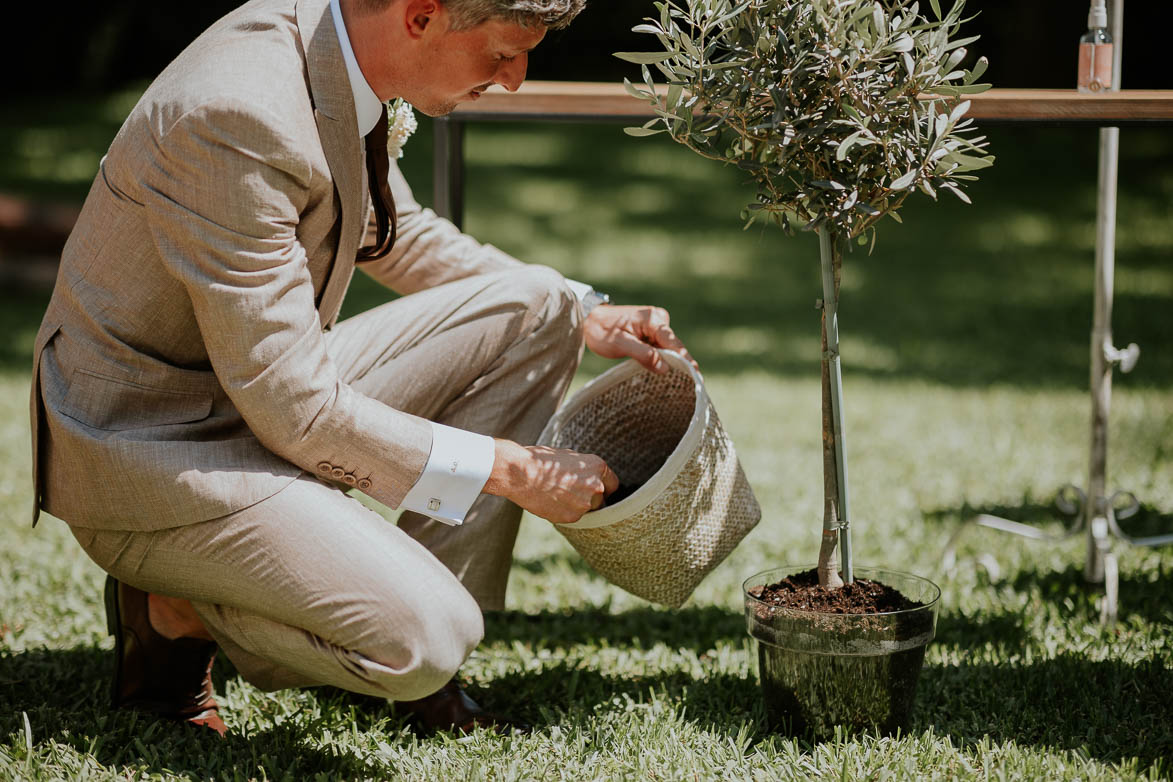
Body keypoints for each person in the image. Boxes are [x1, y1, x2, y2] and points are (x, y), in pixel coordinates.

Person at [29, 0, 694, 737]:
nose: (514, 79)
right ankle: (177, 609)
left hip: (255, 387)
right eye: (504, 53)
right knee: (426, 639)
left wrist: (586, 310)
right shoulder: (237, 114)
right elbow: (297, 409)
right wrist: (515, 470)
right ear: (420, 16)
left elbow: (388, 229)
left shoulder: (338, 43)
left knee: (543, 303)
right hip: (155, 447)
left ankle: (368, 600)